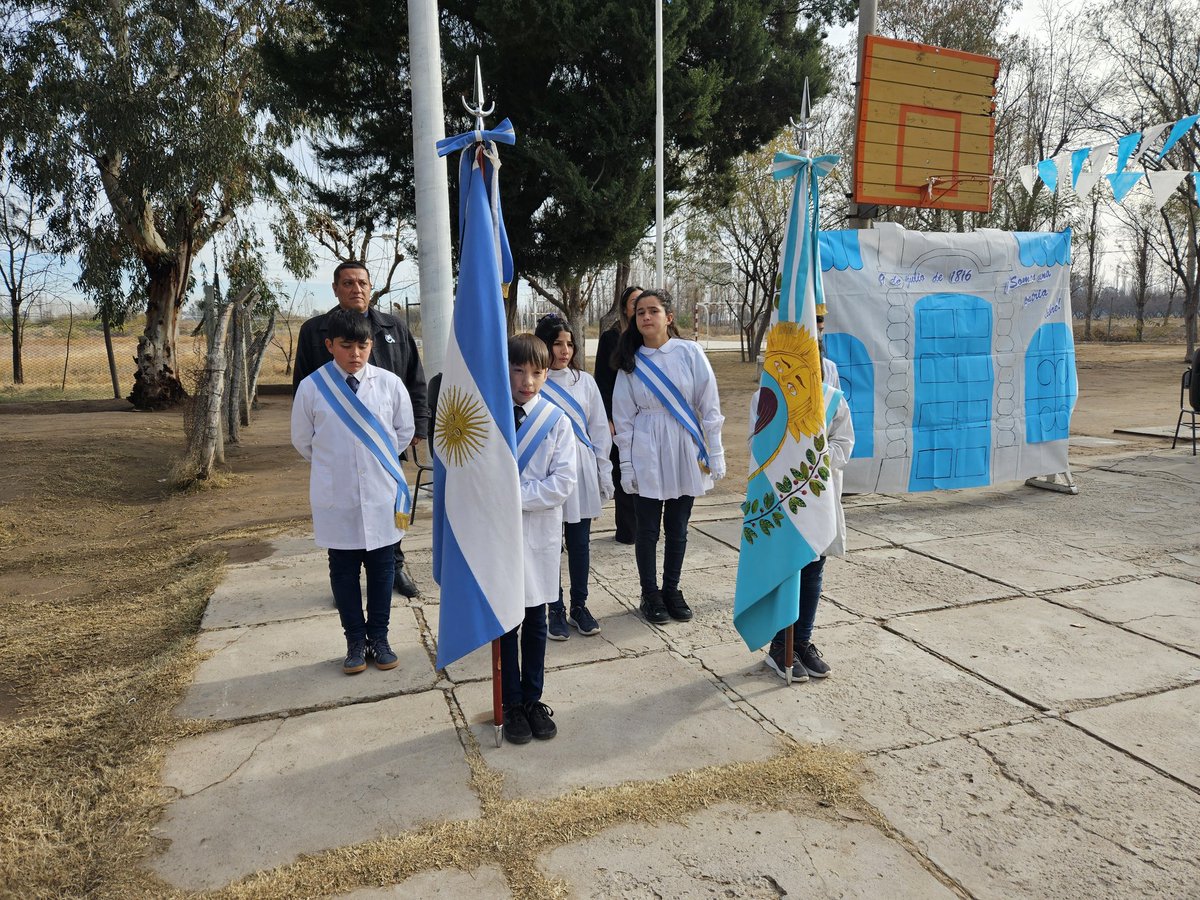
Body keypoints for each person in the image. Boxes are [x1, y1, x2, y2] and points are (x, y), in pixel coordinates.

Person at [291, 308, 415, 675]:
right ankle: (355, 641)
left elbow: (403, 432)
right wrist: (339, 463)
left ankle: (380, 637)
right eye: (346, 346)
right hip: (337, 495)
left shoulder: (390, 384)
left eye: (362, 345)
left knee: (382, 571)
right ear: (330, 345)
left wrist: (368, 460)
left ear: (371, 344)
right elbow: (303, 441)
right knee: (343, 573)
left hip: (380, 492)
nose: (355, 354)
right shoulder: (313, 387)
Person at [293, 261, 428, 598]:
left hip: (383, 444)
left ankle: (394, 568)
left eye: (363, 283)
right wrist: (323, 447)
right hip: (337, 449)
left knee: (387, 507)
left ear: (371, 287)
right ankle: (344, 581)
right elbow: (303, 387)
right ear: (336, 289)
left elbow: (414, 377)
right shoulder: (315, 331)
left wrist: (419, 424)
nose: (357, 289)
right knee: (342, 514)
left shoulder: (393, 327)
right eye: (348, 283)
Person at [611, 289, 725, 625]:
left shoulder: (690, 353)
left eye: (654, 311)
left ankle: (672, 589)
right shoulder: (630, 363)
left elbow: (709, 405)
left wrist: (715, 451)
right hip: (647, 446)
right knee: (647, 528)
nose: (646, 317)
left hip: (683, 446)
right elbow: (624, 418)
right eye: (641, 312)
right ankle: (650, 594)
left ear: (668, 317)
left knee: (678, 527)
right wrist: (628, 464)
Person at [503, 333, 578, 744]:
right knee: (505, 621)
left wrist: (511, 499)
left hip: (539, 536)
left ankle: (532, 699)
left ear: (547, 374)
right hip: (499, 537)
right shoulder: (491, 417)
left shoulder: (556, 421)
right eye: (518, 370)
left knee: (535, 620)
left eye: (536, 372)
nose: (526, 381)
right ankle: (510, 702)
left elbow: (562, 483)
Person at [765, 345, 854, 682]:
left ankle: (801, 642)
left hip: (819, 495)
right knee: (786, 568)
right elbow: (758, 443)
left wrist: (815, 457)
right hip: (785, 495)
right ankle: (779, 646)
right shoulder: (770, 400)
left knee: (814, 567)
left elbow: (843, 442)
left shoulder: (832, 399)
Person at [534, 314, 614, 641]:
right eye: (557, 343)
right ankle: (554, 607)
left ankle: (580, 605)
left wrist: (603, 471)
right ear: (543, 344)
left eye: (569, 343)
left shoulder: (585, 382)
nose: (565, 350)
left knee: (580, 543)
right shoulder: (533, 380)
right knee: (550, 542)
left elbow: (598, 430)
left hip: (580, 470)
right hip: (546, 470)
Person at [594, 285, 643, 544]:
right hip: (619, 416)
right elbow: (602, 380)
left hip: (645, 417)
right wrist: (609, 417)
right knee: (623, 471)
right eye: (634, 302)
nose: (639, 307)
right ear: (625, 307)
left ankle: (646, 528)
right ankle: (627, 531)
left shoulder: (648, 338)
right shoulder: (611, 337)